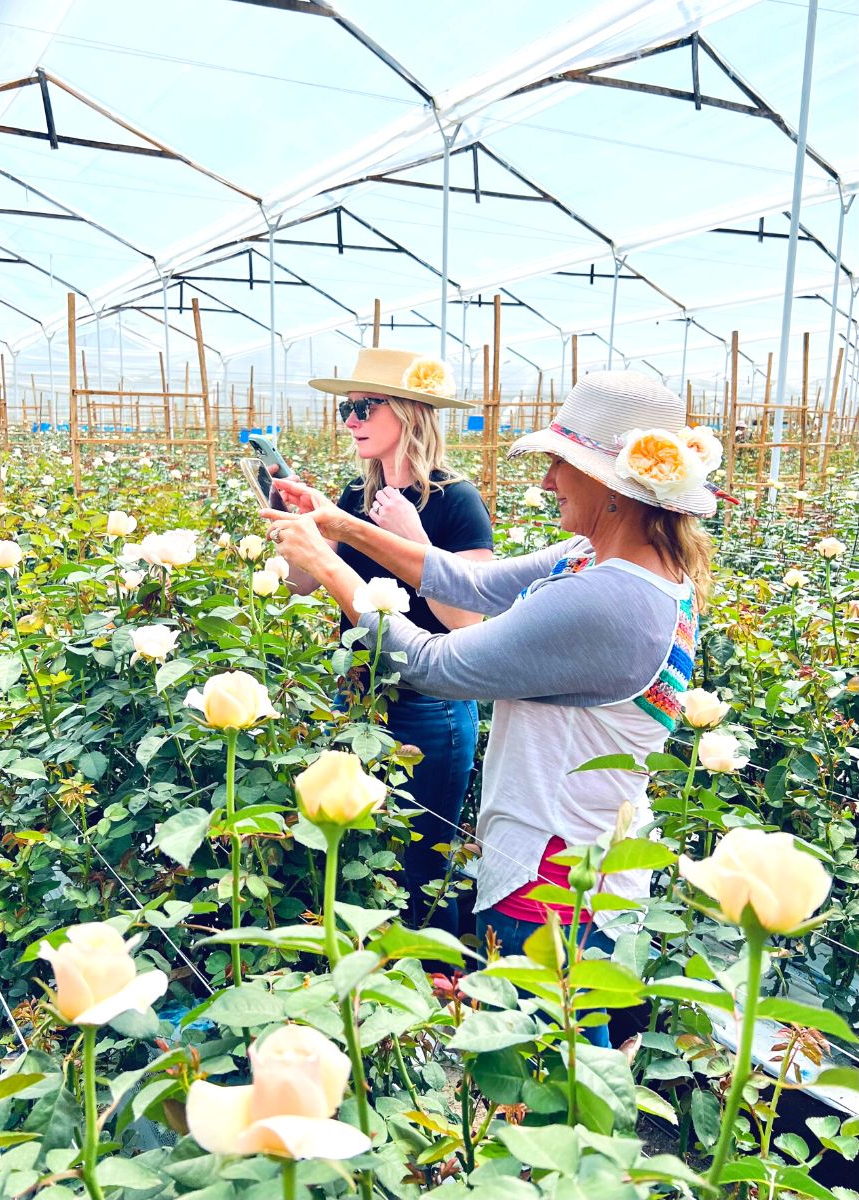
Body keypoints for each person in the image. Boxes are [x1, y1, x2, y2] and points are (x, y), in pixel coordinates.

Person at [266, 372, 722, 1043]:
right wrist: (337, 524)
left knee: (542, 1085)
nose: (547, 483)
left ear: (612, 487)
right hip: (580, 869)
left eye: (560, 466)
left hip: (552, 887)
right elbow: (469, 580)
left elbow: (434, 665)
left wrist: (330, 569)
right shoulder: (603, 562)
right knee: (564, 1081)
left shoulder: (608, 598)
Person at [277, 347, 494, 935]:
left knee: (425, 861)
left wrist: (415, 538)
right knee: (366, 852)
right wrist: (292, 533)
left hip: (430, 705)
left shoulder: (456, 501)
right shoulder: (353, 496)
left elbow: (465, 624)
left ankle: (434, 992)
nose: (349, 420)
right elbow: (302, 585)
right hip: (359, 697)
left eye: (364, 407)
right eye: (346, 408)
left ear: (409, 411)